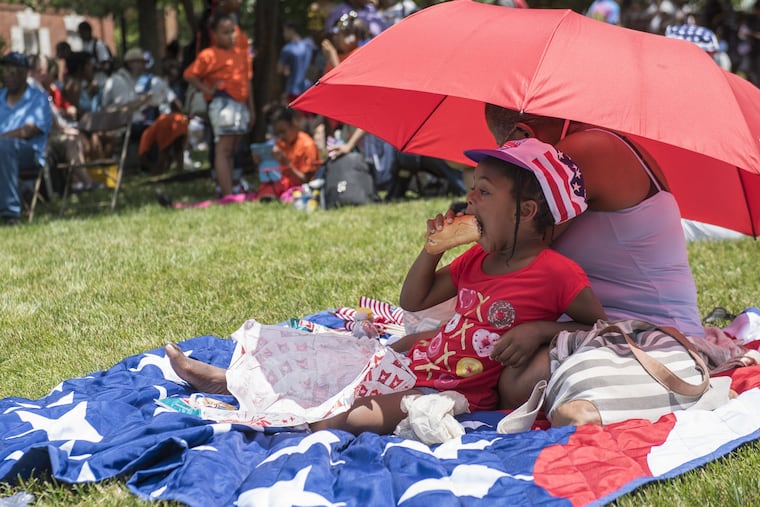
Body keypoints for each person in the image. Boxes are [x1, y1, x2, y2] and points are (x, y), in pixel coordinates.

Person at [164, 138, 606, 433]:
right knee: (331, 358)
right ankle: (232, 380)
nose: (470, 201)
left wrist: (540, 330)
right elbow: (413, 300)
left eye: (484, 193)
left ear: (527, 212)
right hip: (415, 356)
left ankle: (286, 420)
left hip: (451, 389)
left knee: (355, 415)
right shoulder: (478, 259)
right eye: (472, 189)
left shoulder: (556, 272)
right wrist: (433, 248)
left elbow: (600, 326)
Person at [483, 104, 707, 408]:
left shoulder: (584, 150)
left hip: (656, 333)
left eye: (508, 150)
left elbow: (515, 246)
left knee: (514, 384)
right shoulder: (590, 143)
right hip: (596, 322)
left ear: (524, 134)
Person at [183, 13, 254, 197]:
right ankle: (227, 192)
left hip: (240, 104)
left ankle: (230, 188)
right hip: (223, 102)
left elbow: (247, 81)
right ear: (214, 34)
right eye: (224, 32)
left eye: (232, 31)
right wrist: (207, 90)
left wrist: (251, 109)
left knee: (232, 149)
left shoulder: (241, 53)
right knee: (223, 149)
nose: (230, 36)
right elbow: (189, 74)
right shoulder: (209, 54)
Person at [0, 52, 52, 225]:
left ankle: (10, 213)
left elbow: (28, 131)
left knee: (5, 146)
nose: (7, 74)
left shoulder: (39, 98)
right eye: (5, 69)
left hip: (29, 154)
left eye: (12, 70)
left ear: (24, 73)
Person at [267, 105, 321, 192]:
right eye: (277, 133)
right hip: (282, 185)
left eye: (283, 132)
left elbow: (305, 180)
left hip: (302, 189)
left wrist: (286, 163)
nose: (281, 136)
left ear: (294, 124)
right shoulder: (281, 143)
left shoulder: (308, 145)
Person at [278, 20, 317, 103]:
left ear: (291, 30)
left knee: (295, 114)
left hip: (293, 89)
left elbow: (279, 69)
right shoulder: (309, 44)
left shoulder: (287, 49)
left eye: (285, 31)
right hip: (308, 87)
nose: (283, 34)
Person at [77, 20, 113, 91]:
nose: (80, 36)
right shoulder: (85, 45)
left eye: (81, 33)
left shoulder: (98, 45)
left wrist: (93, 67)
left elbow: (107, 65)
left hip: (101, 82)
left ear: (88, 31)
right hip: (91, 84)